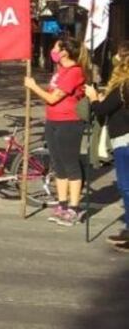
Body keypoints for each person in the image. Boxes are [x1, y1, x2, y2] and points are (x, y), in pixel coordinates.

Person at [24, 35, 88, 227]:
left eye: (55, 47)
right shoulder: (60, 70)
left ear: (65, 52)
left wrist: (33, 86)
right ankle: (62, 204)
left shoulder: (74, 72)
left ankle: (74, 208)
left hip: (69, 122)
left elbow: (53, 98)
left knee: (70, 165)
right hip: (53, 121)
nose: (52, 50)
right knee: (58, 165)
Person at [86, 41, 129, 252]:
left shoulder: (124, 86)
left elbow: (102, 109)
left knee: (126, 186)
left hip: (124, 139)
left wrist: (94, 99)